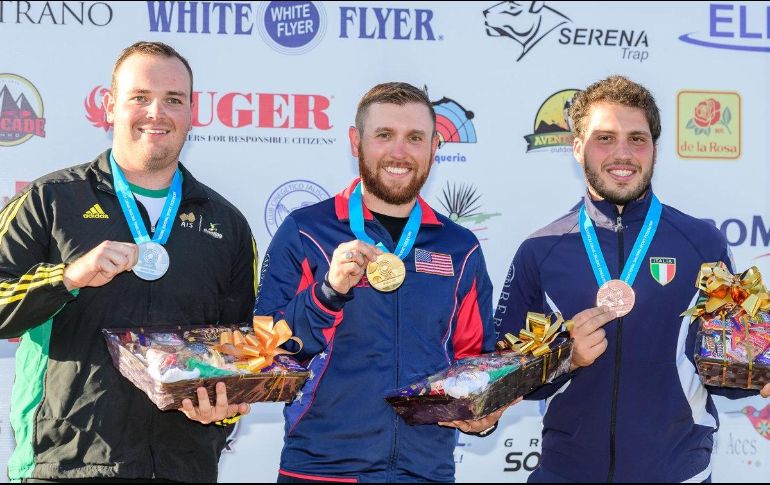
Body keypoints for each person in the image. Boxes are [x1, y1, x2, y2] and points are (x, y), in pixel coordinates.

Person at [0, 41, 257, 482]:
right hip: (69, 463)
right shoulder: (49, 200)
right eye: (140, 97)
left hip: (184, 467)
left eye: (173, 100)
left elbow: (244, 349)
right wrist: (68, 277)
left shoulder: (227, 225)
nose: (156, 112)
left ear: (192, 113)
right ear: (109, 105)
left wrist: (224, 410)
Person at [494, 75, 770, 483]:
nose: (622, 153)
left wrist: (760, 371)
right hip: (566, 472)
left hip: (677, 472)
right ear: (576, 147)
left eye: (637, 139)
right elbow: (507, 376)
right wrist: (567, 358)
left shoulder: (701, 243)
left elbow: (723, 369)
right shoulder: (542, 250)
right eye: (604, 138)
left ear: (655, 149)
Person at [255, 82, 511, 483]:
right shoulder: (307, 232)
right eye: (384, 135)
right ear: (356, 141)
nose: (399, 152)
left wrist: (485, 414)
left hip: (425, 471)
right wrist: (327, 293)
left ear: (434, 147)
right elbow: (266, 349)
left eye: (415, 138)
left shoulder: (459, 247)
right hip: (321, 469)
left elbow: (476, 361)